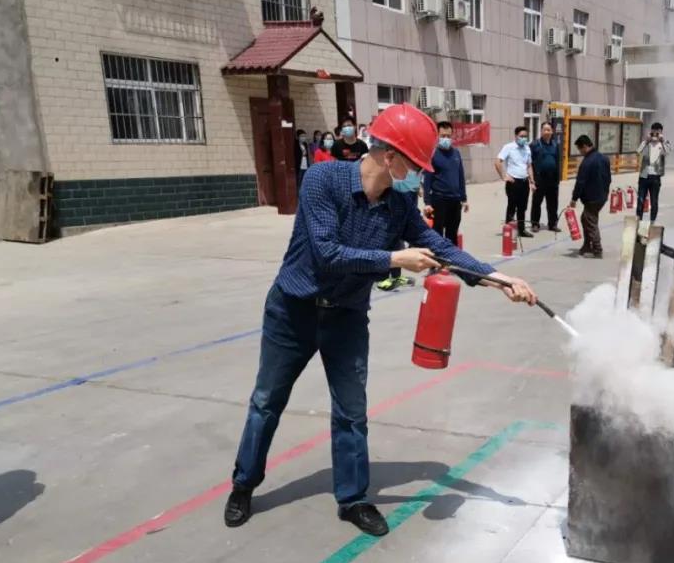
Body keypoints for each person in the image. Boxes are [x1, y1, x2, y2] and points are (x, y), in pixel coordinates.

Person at [223, 103, 537, 537]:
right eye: (416, 163)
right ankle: (243, 484)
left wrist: (499, 279)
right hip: (292, 311)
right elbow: (327, 254)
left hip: (346, 317)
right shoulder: (322, 180)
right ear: (390, 158)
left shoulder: (399, 203)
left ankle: (352, 499)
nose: (421, 174)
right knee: (266, 401)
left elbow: (438, 247)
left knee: (351, 412)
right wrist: (394, 258)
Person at [422, 121, 467, 245]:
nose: (446, 139)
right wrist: (427, 202)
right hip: (439, 199)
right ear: (437, 136)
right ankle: (437, 260)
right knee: (437, 232)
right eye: (443, 136)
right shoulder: (433, 154)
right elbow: (427, 179)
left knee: (452, 232)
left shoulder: (456, 153)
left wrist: (464, 199)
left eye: (448, 136)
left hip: (455, 200)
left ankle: (450, 259)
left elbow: (460, 177)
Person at [568, 134, 611, 259]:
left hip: (592, 198)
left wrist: (574, 198)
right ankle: (587, 244)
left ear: (585, 146)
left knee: (590, 221)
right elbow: (609, 179)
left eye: (580, 149)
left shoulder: (587, 162)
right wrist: (605, 193)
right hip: (601, 196)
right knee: (585, 218)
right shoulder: (604, 158)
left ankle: (597, 248)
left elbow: (580, 182)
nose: (580, 152)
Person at [494, 126, 535, 238]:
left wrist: (532, 181)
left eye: (525, 136)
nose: (524, 138)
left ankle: (521, 230)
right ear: (516, 136)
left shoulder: (527, 148)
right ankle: (509, 231)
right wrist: (504, 176)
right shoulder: (509, 147)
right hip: (513, 182)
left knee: (523, 207)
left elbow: (529, 165)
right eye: (521, 136)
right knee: (512, 206)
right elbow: (498, 162)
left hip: (524, 181)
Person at [529, 122, 561, 233]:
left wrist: (558, 178)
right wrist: (531, 180)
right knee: (537, 202)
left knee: (553, 203)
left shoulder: (555, 145)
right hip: (539, 179)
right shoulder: (534, 145)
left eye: (549, 130)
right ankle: (535, 224)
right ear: (541, 131)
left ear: (552, 131)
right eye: (545, 130)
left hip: (552, 180)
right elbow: (529, 163)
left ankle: (552, 224)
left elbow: (557, 161)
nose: (547, 132)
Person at [636, 122, 670, 223]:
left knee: (654, 201)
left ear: (661, 132)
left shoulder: (664, 143)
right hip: (644, 176)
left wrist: (663, 141)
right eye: (653, 131)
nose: (655, 134)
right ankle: (638, 220)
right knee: (640, 200)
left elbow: (668, 152)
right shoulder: (646, 143)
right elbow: (638, 151)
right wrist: (646, 141)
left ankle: (652, 221)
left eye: (658, 132)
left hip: (656, 177)